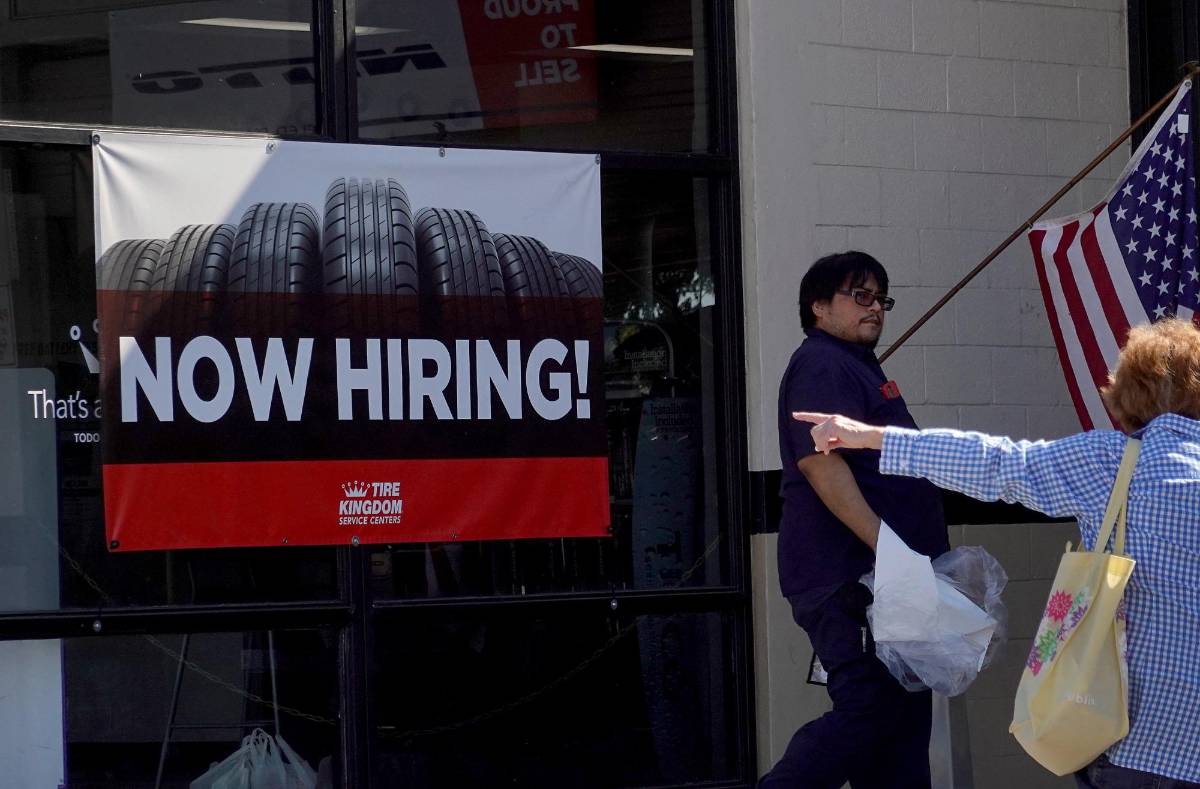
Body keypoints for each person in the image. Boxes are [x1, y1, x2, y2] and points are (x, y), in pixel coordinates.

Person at [793, 317, 1200, 789]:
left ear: (1131, 394)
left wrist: (871, 436)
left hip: (1133, 737)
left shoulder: (1110, 462)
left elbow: (997, 462)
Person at [760, 252, 949, 789]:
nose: (875, 308)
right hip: (852, 577)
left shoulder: (858, 364)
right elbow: (821, 464)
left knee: (903, 718)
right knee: (869, 706)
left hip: (890, 579)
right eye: (860, 296)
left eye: (881, 298)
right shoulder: (822, 363)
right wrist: (889, 548)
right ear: (819, 306)